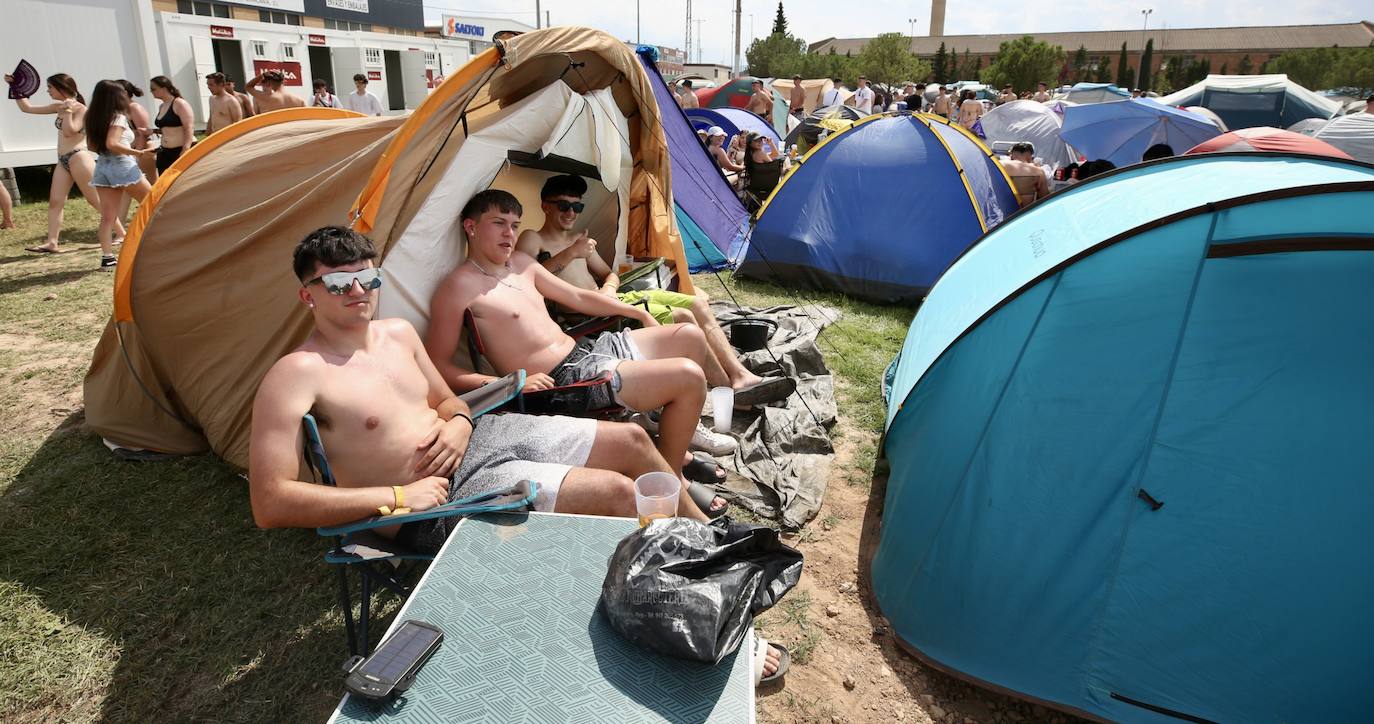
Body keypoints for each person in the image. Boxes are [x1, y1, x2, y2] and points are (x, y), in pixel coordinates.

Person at [248, 226, 714, 554]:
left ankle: (712, 541)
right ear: (308, 294)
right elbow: (271, 502)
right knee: (615, 493)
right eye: (336, 282)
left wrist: (458, 421)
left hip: (477, 440)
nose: (357, 290)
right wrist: (394, 497)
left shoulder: (397, 334)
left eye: (367, 277)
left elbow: (447, 400)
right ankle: (685, 577)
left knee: (633, 440)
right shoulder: (296, 374)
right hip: (429, 499)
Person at [425, 190, 737, 493]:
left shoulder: (520, 263)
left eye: (515, 225)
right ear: (471, 227)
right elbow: (438, 366)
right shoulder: (458, 287)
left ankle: (676, 445)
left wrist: (635, 312)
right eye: (498, 223)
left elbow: (576, 297)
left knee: (689, 337)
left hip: (584, 350)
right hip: (560, 382)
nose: (509, 233)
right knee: (688, 377)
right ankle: (670, 479)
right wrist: (509, 383)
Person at [517, 174, 796, 407]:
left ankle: (739, 373)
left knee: (696, 304)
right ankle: (729, 389)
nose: (571, 213)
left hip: (612, 301)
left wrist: (610, 290)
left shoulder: (579, 240)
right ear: (545, 206)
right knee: (684, 319)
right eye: (564, 206)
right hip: (590, 318)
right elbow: (524, 279)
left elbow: (608, 273)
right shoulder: (534, 239)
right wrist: (571, 254)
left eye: (577, 208)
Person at [4, 71, 124, 254]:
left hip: (79, 158)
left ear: (62, 88)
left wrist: (67, 110)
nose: (48, 91)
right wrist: (15, 86)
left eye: (50, 87)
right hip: (63, 160)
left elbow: (70, 131)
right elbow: (27, 108)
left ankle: (121, 232)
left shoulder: (82, 109)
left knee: (96, 200)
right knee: (55, 201)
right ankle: (52, 242)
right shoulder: (58, 106)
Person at [86, 79, 155, 270]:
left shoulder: (92, 118)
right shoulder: (118, 117)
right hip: (122, 165)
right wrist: (138, 152)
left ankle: (107, 257)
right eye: (121, 93)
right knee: (154, 203)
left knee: (108, 216)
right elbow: (113, 144)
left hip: (101, 166)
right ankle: (155, 243)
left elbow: (92, 146)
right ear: (115, 97)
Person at [147, 75, 194, 175]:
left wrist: (185, 149)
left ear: (164, 88)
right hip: (165, 152)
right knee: (165, 184)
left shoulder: (180, 103)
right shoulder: (162, 106)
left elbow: (189, 127)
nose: (151, 91)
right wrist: (152, 131)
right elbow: (167, 128)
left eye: (153, 89)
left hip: (180, 151)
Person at [1002, 142, 1049, 208]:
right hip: (1024, 213)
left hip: (1002, 211)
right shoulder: (1038, 171)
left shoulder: (1000, 165)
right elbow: (1044, 197)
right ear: (1029, 155)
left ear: (1012, 154)